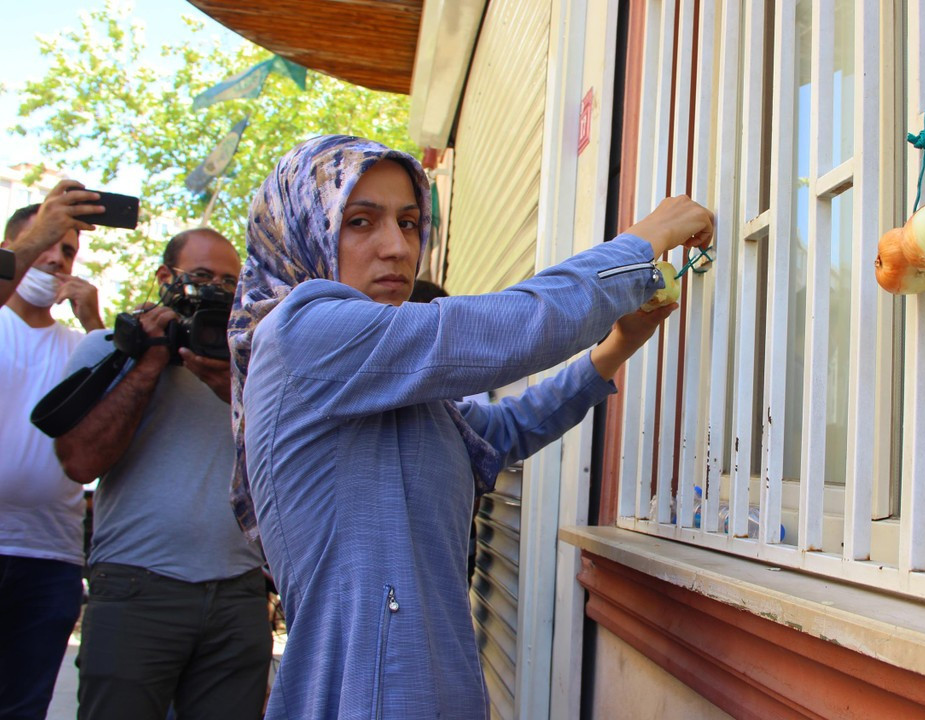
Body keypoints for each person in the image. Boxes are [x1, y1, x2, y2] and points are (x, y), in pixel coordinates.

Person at [228, 135, 710, 718]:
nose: (396, 247)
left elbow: (497, 432)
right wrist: (639, 246)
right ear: (303, 229)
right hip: (363, 694)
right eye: (360, 222)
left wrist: (617, 344)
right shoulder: (301, 332)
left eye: (409, 223)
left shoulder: (385, 382)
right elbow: (493, 331)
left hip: (433, 683)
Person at [54, 228, 272, 720]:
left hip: (237, 590)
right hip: (136, 588)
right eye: (198, 277)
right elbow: (80, 462)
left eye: (227, 281)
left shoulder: (254, 370)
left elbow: (287, 461)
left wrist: (233, 390)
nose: (213, 289)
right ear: (164, 278)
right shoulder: (107, 348)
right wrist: (149, 362)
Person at [0, 185, 106, 720]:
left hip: (50, 559)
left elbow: (117, 420)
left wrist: (95, 324)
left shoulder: (76, 345)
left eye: (68, 250)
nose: (55, 257)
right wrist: (42, 229)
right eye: (45, 242)